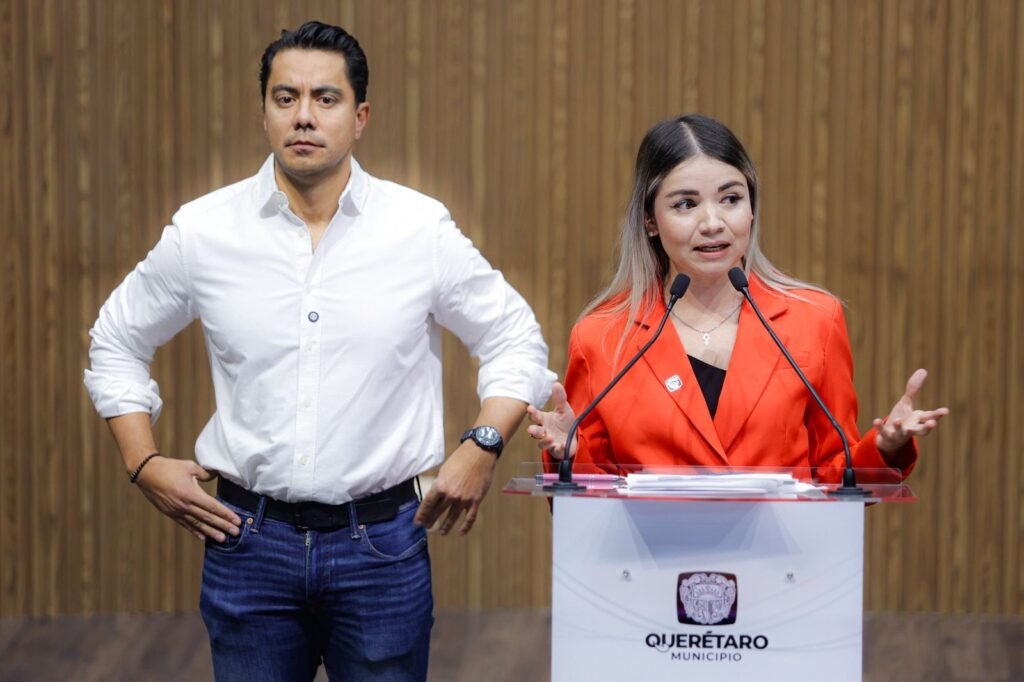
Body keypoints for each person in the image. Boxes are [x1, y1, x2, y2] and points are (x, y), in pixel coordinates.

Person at [84, 21, 554, 681]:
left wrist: (483, 443)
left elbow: (515, 337)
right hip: (247, 542)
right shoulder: (205, 230)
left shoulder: (417, 228)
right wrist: (142, 462)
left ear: (360, 118)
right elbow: (115, 339)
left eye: (325, 98)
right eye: (286, 97)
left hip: (381, 545)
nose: (303, 115)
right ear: (265, 113)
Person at [527, 114, 946, 480]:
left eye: (731, 199)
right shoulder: (602, 336)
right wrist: (568, 457)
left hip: (781, 548)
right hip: (651, 548)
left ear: (751, 208)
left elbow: (836, 473)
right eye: (686, 204)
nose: (713, 223)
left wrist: (885, 447)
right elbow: (593, 495)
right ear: (650, 221)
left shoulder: (815, 320)